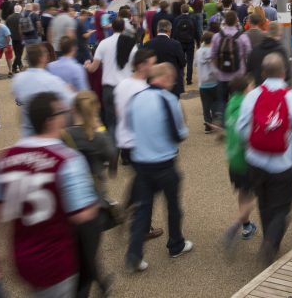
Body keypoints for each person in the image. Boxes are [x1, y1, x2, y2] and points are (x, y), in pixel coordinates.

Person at [0, 93, 97, 296]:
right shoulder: (67, 160)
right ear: (51, 121)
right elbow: (82, 214)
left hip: (21, 257)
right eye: (62, 112)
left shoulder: (4, 158)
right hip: (57, 259)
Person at [236, 53, 292, 264]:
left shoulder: (252, 96)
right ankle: (271, 242)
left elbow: (241, 128)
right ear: (284, 73)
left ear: (263, 73)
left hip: (255, 161)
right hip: (282, 163)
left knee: (264, 202)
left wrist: (254, 143)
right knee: (282, 205)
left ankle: (267, 237)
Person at [124, 63, 193, 272]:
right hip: (164, 163)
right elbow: (178, 134)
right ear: (163, 77)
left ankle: (134, 255)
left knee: (143, 209)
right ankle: (176, 244)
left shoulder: (135, 99)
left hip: (142, 164)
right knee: (173, 205)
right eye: (171, 77)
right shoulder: (168, 99)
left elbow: (129, 128)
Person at [62, 91, 119, 297]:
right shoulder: (99, 137)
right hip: (93, 201)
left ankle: (101, 283)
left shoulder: (64, 135)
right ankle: (93, 286)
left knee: (82, 253)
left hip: (68, 201)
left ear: (73, 109)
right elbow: (112, 158)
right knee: (87, 257)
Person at [221, 75, 258, 246]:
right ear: (245, 89)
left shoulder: (230, 104)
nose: (253, 88)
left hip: (233, 160)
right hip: (246, 160)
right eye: (251, 86)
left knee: (244, 192)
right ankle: (237, 223)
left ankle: (246, 226)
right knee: (257, 194)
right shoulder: (247, 105)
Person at [85, 17, 137, 135]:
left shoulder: (103, 44)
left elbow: (93, 68)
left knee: (112, 124)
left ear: (111, 28)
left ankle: (114, 151)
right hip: (126, 87)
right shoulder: (131, 44)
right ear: (124, 28)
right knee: (127, 122)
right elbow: (136, 65)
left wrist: (87, 65)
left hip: (109, 88)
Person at [12, 43, 75, 136]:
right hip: (46, 133)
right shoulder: (52, 80)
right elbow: (71, 101)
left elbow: (18, 98)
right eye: (46, 54)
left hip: (27, 133)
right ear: (41, 58)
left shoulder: (18, 79)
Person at [143, 19, 187, 97]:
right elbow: (182, 62)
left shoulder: (147, 44)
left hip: (153, 83)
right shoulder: (175, 44)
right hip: (172, 84)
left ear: (157, 30)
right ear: (169, 30)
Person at [195, 31, 219, 130]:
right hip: (214, 81)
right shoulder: (214, 52)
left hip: (202, 83)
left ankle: (207, 125)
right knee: (215, 103)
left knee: (205, 105)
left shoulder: (198, 52)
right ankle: (215, 121)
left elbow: (195, 64)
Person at [172, 4, 198, 86]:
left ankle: (181, 78)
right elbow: (196, 31)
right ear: (188, 10)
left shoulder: (176, 19)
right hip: (190, 42)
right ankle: (189, 79)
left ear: (181, 10)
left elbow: (174, 32)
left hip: (179, 43)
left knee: (180, 61)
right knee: (190, 61)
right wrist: (198, 41)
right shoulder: (193, 18)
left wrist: (174, 40)